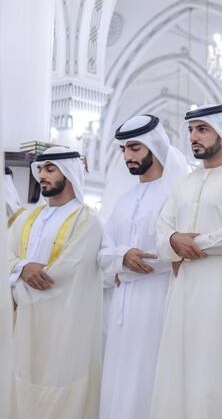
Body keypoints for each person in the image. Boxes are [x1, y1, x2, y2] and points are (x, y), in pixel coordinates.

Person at [151, 104, 222, 419]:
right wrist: (174, 241)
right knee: (182, 377)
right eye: (191, 130)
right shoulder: (185, 183)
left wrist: (188, 244)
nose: (194, 137)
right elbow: (162, 229)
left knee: (219, 379)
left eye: (202, 129)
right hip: (183, 299)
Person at [97, 115, 188, 419]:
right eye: (124, 150)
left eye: (134, 148)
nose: (127, 157)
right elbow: (102, 252)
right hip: (123, 307)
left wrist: (139, 260)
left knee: (151, 377)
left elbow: (179, 246)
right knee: (119, 380)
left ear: (154, 146)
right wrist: (123, 257)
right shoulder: (123, 201)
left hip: (159, 300)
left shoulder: (177, 194)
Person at [7, 147, 103, 419]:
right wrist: (21, 268)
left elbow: (63, 273)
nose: (42, 177)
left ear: (69, 173)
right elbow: (7, 254)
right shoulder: (28, 217)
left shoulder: (88, 221)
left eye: (50, 170)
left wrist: (17, 285)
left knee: (60, 390)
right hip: (24, 322)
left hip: (65, 325)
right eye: (40, 170)